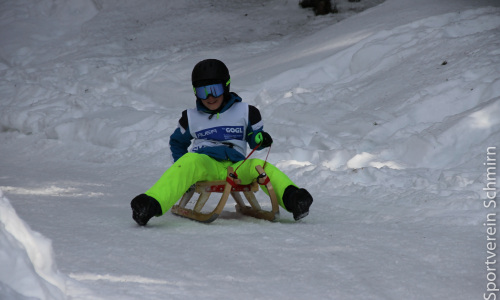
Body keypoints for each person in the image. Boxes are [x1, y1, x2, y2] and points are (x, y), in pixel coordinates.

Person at [130, 59, 313, 226]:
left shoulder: (246, 112)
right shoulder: (191, 118)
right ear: (196, 92)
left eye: (215, 89)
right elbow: (177, 142)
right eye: (203, 91)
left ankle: (294, 198)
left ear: (225, 86)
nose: (210, 97)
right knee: (190, 161)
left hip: (237, 167)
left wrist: (260, 139)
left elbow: (254, 137)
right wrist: (183, 167)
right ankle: (150, 204)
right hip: (206, 165)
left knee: (260, 166)